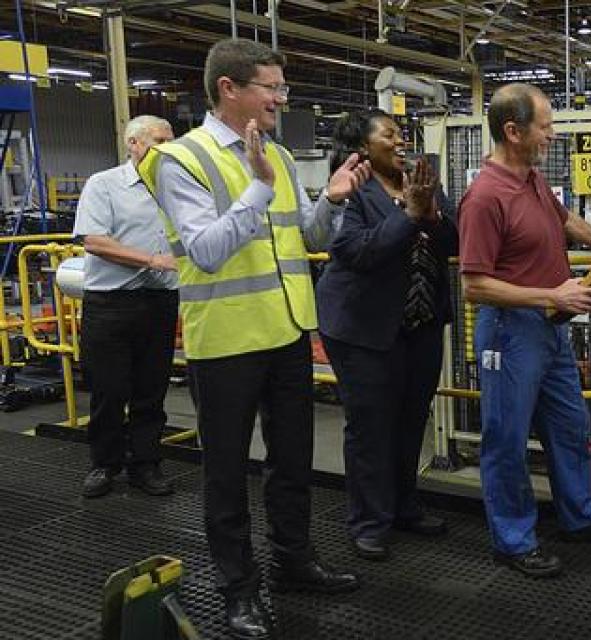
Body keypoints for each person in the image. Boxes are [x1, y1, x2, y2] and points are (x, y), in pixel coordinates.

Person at [138, 38, 370, 640]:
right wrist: (258, 186)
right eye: (272, 87)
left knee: (292, 463)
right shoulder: (180, 160)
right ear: (229, 89)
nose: (280, 99)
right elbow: (207, 252)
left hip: (288, 329)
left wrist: (333, 202)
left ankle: (293, 562)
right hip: (226, 340)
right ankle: (238, 589)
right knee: (226, 473)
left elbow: (305, 237)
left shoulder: (281, 157)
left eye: (281, 87)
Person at [458, 83, 591, 579]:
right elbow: (474, 286)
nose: (552, 135)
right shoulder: (484, 197)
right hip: (510, 333)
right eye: (545, 127)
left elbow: (564, 219)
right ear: (513, 131)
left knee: (569, 426)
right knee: (506, 440)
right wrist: (552, 296)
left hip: (550, 329)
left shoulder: (531, 179)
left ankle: (580, 516)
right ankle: (513, 540)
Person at [317, 110, 457, 560]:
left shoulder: (421, 182)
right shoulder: (352, 192)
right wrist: (410, 215)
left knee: (411, 420)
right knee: (371, 427)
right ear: (363, 147)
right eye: (389, 135)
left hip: (420, 323)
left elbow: (454, 242)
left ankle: (403, 507)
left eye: (402, 134)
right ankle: (369, 521)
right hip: (362, 328)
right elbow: (356, 251)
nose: (401, 142)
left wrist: (431, 213)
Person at [74, 114, 179, 499]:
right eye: (160, 141)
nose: (169, 149)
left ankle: (145, 464)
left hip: (160, 301)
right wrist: (152, 260)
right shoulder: (104, 184)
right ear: (133, 144)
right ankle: (104, 464)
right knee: (110, 389)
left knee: (152, 389)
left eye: (171, 141)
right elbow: (94, 241)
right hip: (111, 304)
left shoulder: (177, 188)